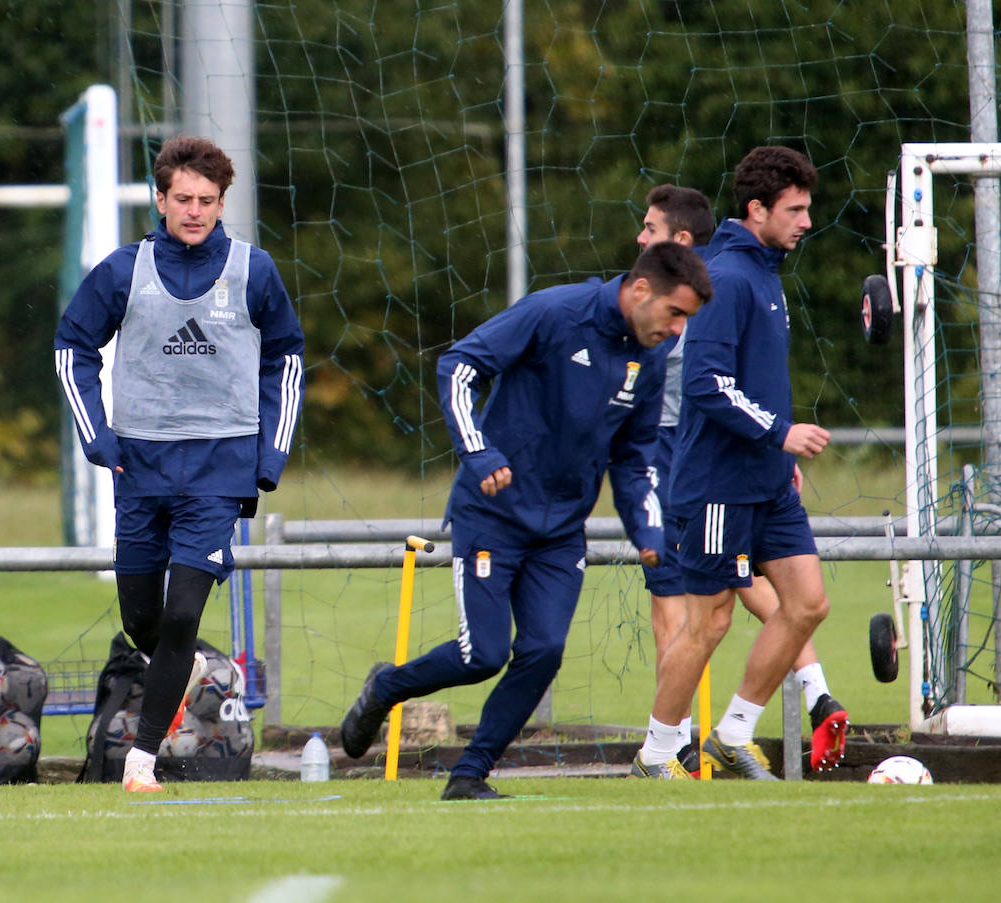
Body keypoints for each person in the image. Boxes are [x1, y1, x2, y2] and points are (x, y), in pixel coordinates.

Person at [340, 241, 712, 800]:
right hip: (492, 512)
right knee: (481, 654)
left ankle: (469, 776)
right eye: (674, 313)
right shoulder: (553, 313)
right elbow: (459, 365)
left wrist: (649, 533)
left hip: (561, 529)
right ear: (640, 290)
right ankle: (387, 686)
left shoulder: (651, 356)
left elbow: (633, 458)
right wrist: (480, 452)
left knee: (543, 652)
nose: (678, 330)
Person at [54, 136, 304, 792]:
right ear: (161, 199)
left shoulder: (255, 271)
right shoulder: (121, 271)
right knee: (144, 618)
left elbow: (288, 360)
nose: (195, 211)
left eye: (208, 201)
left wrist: (269, 453)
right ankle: (178, 667)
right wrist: (97, 434)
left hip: (220, 471)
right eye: (183, 199)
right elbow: (71, 344)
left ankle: (142, 761)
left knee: (184, 612)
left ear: (223, 204)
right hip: (139, 468)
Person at [632, 146, 841, 781]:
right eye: (795, 209)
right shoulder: (726, 276)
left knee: (806, 602)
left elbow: (754, 379)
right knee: (709, 621)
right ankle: (657, 752)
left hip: (768, 481)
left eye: (807, 209)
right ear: (757, 210)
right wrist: (779, 432)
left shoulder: (767, 272)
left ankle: (733, 732)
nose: (806, 222)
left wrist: (782, 453)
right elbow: (705, 383)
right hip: (718, 484)